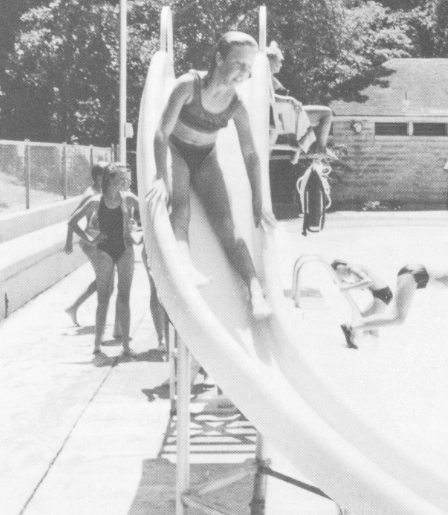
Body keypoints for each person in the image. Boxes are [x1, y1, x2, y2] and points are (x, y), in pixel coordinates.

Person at [148, 31, 274, 319]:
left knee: (227, 225)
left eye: (249, 66)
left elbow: (251, 154)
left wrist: (258, 198)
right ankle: (186, 264)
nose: (245, 72)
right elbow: (161, 133)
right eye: (239, 63)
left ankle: (255, 289)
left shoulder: (237, 106)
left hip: (206, 157)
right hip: (177, 151)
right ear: (219, 58)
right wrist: (159, 176)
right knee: (179, 206)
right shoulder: (187, 86)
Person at [66, 163, 140, 360]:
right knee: (103, 298)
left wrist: (139, 236)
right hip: (105, 251)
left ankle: (125, 345)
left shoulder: (129, 199)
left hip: (125, 251)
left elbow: (149, 215)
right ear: (111, 180)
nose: (126, 182)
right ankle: (97, 345)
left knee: (124, 297)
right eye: (122, 179)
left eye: (126, 179)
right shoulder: (96, 201)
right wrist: (90, 239)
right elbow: (72, 221)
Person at [334, 261, 448, 349]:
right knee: (397, 318)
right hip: (414, 274)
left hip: (414, 275)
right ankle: (351, 326)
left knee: (395, 318)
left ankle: (356, 330)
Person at [266, 41, 333, 165]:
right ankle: (320, 149)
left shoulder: (264, 76)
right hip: (285, 118)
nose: (281, 64)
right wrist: (290, 100)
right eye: (279, 61)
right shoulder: (265, 77)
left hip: (280, 118)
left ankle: (311, 147)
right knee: (327, 113)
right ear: (269, 59)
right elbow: (270, 98)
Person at [64, 161, 107, 326]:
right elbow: (73, 218)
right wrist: (69, 241)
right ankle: (77, 309)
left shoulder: (101, 191)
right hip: (90, 243)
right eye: (106, 174)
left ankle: (74, 308)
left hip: (97, 241)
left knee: (104, 280)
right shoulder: (90, 194)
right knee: (106, 281)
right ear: (98, 176)